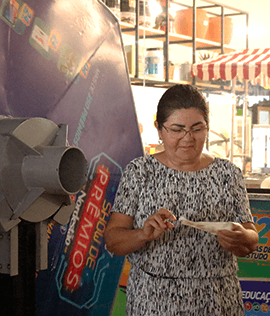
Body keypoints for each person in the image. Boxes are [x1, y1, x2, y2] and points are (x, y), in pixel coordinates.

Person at [104, 84, 258, 316]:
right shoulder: (139, 172)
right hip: (153, 301)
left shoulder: (228, 174)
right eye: (177, 129)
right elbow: (113, 240)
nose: (187, 139)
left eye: (197, 129)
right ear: (159, 129)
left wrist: (240, 237)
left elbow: (251, 239)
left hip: (218, 300)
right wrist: (143, 234)